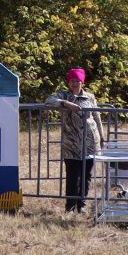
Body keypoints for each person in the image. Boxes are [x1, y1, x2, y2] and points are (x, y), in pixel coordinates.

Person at [46, 67, 103, 213]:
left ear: (82, 82)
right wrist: (66, 104)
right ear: (68, 82)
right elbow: (49, 100)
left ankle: (82, 205)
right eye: (72, 80)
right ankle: (70, 206)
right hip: (71, 142)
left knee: (86, 176)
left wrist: (102, 136)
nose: (75, 83)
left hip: (90, 141)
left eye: (77, 80)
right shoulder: (63, 95)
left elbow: (97, 117)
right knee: (72, 175)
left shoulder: (90, 97)